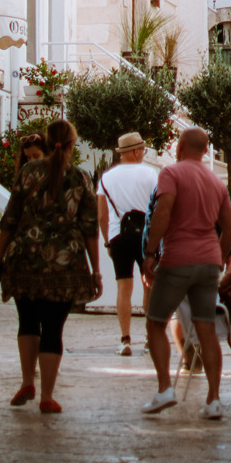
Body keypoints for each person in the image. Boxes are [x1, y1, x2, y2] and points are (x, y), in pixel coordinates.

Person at [0, 117, 101, 413]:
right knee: (53, 328)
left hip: (24, 258)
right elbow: (90, 228)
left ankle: (27, 381)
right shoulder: (80, 177)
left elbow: (9, 219)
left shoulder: (28, 172)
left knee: (27, 321)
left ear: (48, 142)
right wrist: (96, 271)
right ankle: (47, 397)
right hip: (64, 264)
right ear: (71, 144)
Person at [141, 126, 231, 420]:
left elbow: (163, 211)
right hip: (208, 262)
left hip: (177, 259)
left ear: (180, 147)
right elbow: (230, 229)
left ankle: (165, 389)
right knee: (206, 328)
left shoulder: (171, 173)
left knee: (156, 322)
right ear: (206, 151)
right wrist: (218, 258)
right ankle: (214, 399)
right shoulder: (216, 181)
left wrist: (150, 253)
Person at [97, 131, 159, 357]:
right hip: (146, 237)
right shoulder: (151, 174)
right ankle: (150, 339)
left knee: (123, 287)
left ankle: (125, 339)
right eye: (142, 149)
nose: (143, 153)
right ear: (135, 151)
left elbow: (102, 216)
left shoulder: (106, 178)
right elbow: (159, 208)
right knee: (149, 285)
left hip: (118, 236)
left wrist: (107, 242)